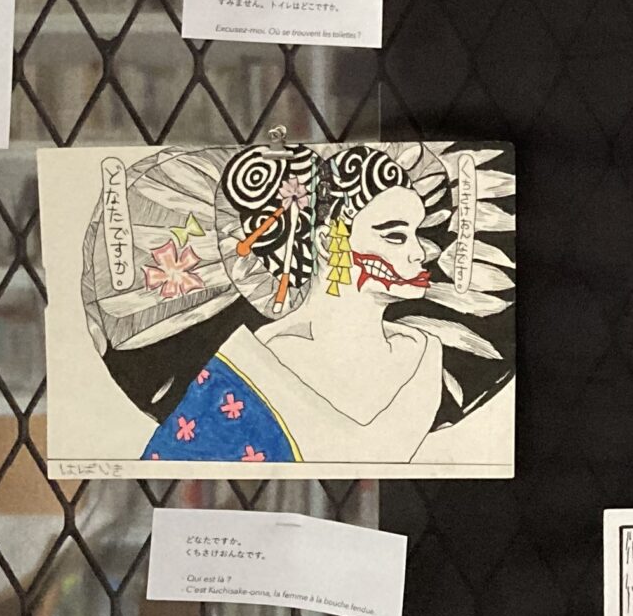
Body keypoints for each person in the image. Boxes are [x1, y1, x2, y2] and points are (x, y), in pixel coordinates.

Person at [80, 140, 515, 467]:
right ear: (328, 242)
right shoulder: (250, 367)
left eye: (419, 234)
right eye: (395, 236)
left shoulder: (422, 352)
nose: (420, 253)